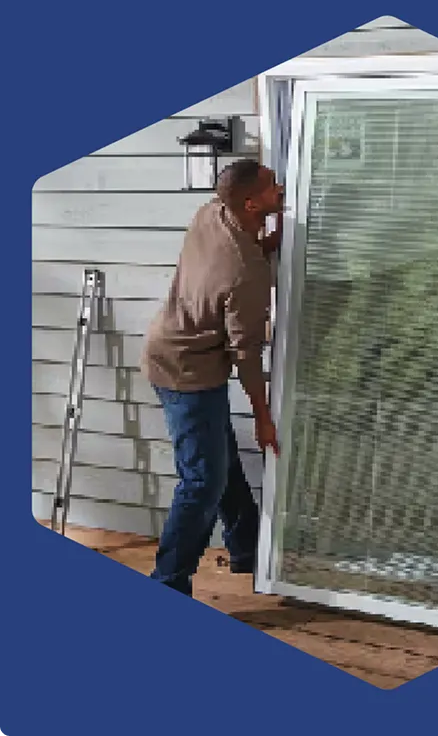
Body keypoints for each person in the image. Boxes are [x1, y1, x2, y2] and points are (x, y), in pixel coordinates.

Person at [140, 158, 283, 597]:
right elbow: (246, 355)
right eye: (272, 187)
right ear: (250, 201)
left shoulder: (211, 212)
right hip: (187, 371)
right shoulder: (246, 273)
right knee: (203, 480)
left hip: (166, 348)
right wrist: (263, 417)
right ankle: (169, 582)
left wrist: (276, 239)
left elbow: (239, 251)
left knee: (220, 465)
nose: (280, 189)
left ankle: (246, 550)